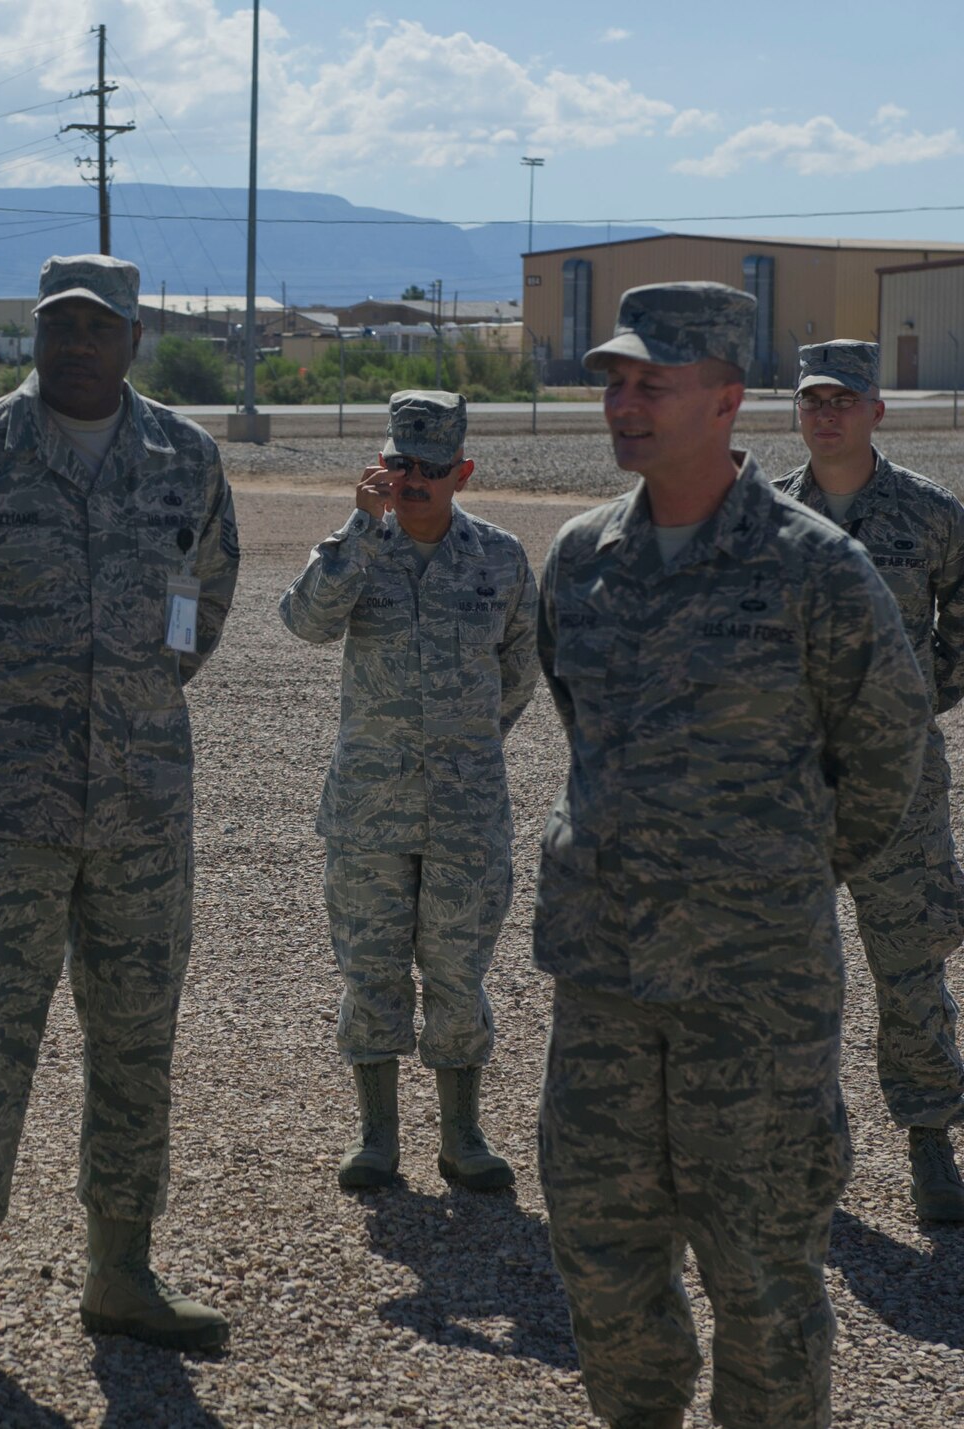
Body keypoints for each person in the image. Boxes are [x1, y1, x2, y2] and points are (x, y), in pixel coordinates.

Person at [533, 281, 929, 1429]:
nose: (622, 402)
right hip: (603, 983)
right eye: (613, 379)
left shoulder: (814, 570)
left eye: (650, 381)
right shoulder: (579, 559)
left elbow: (884, 752)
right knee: (602, 1263)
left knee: (759, 1276)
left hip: (750, 993)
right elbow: (579, 721)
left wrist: (769, 876)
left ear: (723, 397)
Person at [0, 253, 239, 1370]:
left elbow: (202, 598)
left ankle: (120, 1274)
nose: (75, 342)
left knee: (135, 1047)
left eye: (97, 326)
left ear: (134, 336)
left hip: (140, 816)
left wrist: (140, 699)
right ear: (36, 332)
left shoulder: (184, 458)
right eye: (57, 324)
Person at [280, 390, 538, 1193]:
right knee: (371, 968)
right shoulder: (358, 550)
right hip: (370, 810)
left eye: (431, 468)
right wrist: (358, 528)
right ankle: (377, 1137)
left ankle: (462, 1136)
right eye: (400, 464)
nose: (414, 480)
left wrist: (463, 748)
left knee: (459, 971)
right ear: (381, 465)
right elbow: (306, 622)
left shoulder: (500, 559)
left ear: (461, 470)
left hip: (467, 812)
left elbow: (520, 672)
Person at [773, 339, 964, 1221]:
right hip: (791, 785)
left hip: (900, 786)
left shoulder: (932, 516)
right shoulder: (764, 517)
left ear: (877, 409)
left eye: (844, 400)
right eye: (814, 400)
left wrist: (902, 710)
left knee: (911, 961)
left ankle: (931, 1143)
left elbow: (960, 638)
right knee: (783, 972)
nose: (827, 414)